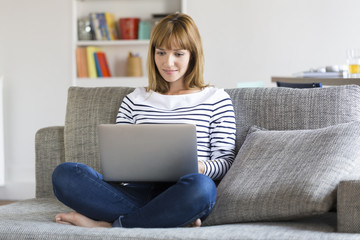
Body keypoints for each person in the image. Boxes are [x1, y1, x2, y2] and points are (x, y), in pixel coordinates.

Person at [52, 13, 236, 228]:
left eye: (178, 53)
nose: (168, 62)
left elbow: (226, 162)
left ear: (192, 55)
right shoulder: (135, 99)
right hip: (134, 192)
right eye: (161, 53)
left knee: (202, 188)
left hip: (184, 189)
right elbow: (118, 158)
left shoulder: (215, 99)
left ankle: (111, 226)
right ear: (153, 54)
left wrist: (201, 167)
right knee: (65, 174)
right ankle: (165, 218)